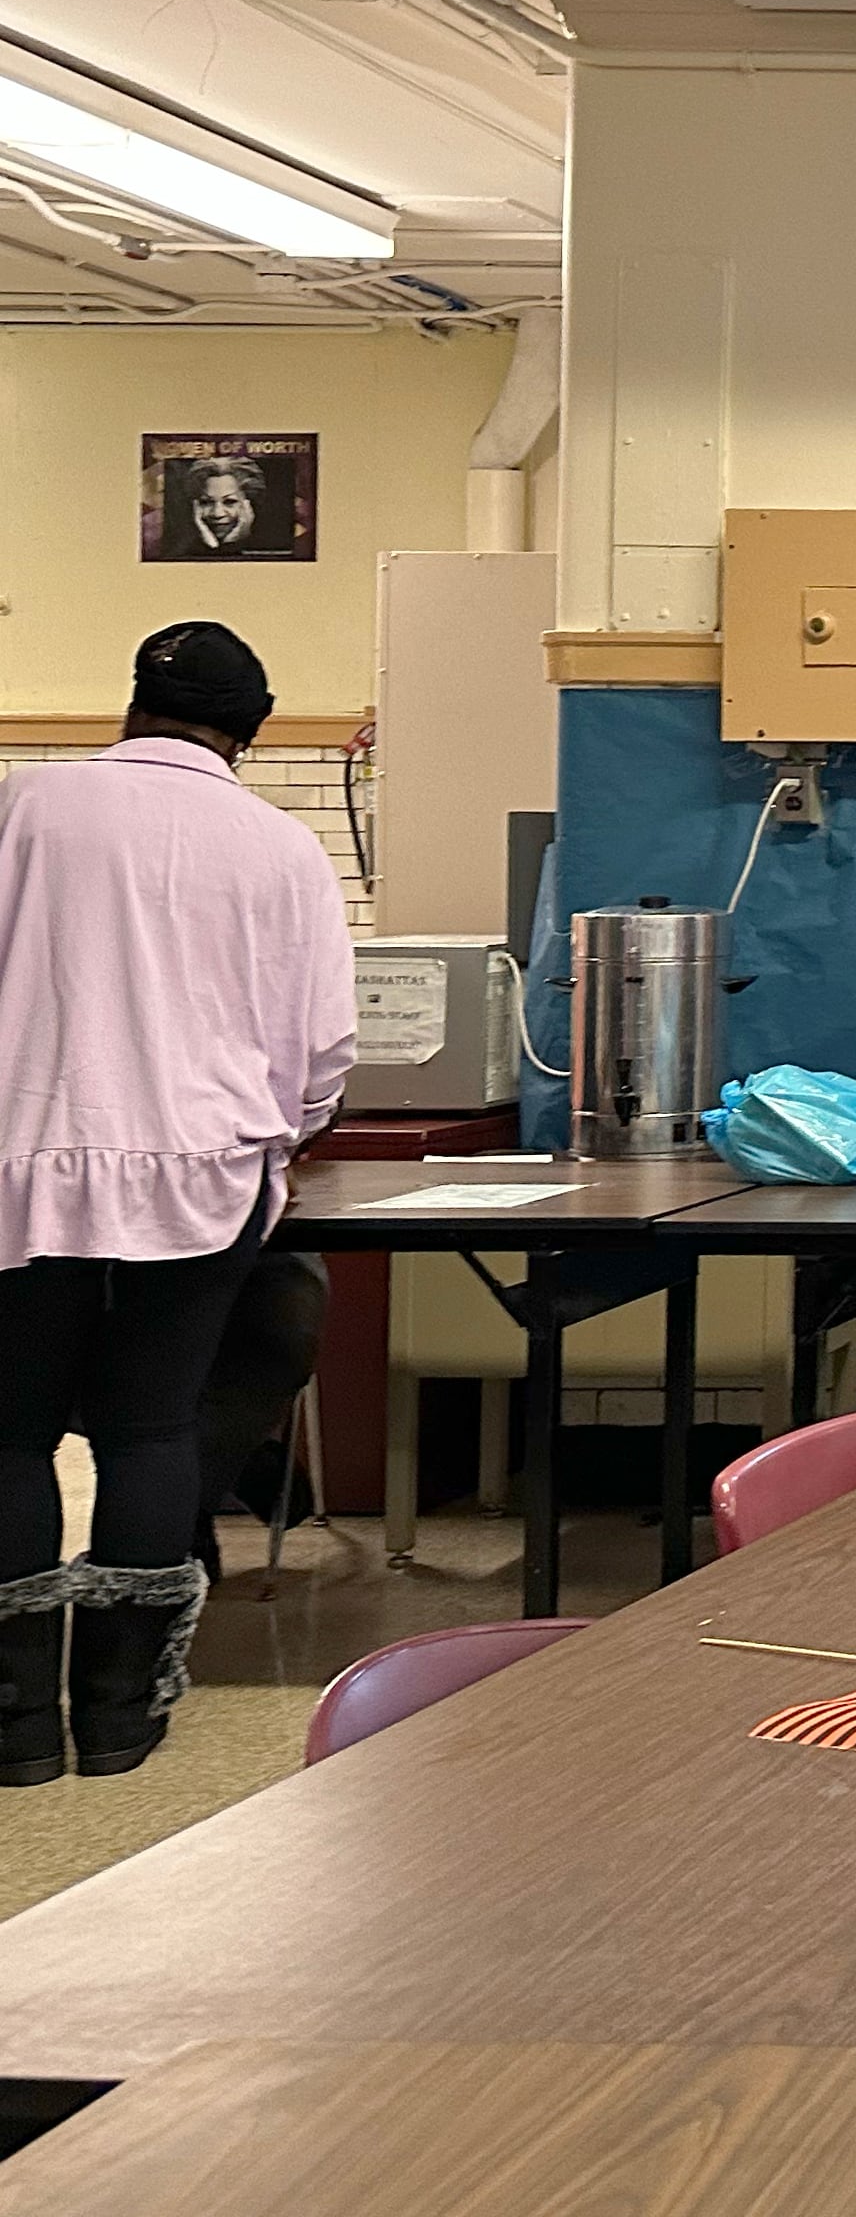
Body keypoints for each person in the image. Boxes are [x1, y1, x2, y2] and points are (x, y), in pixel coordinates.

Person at [0, 622, 354, 1783]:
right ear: (249, 731)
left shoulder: (22, 805)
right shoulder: (282, 847)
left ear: (133, 706)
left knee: (10, 1433)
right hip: (204, 1171)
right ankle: (120, 1721)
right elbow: (322, 1050)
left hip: (23, 1166)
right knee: (149, 1428)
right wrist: (283, 1128)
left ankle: (15, 1729)